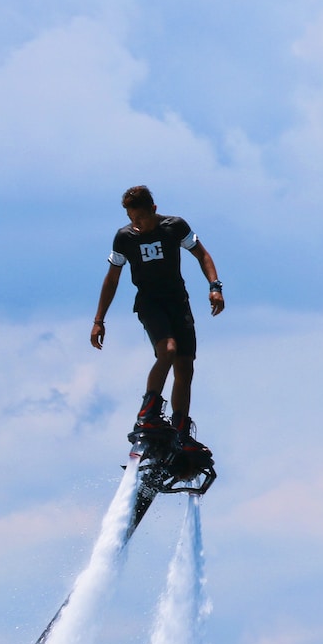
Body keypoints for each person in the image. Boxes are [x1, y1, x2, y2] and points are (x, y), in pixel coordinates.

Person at [90, 184, 224, 449]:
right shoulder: (124, 238)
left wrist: (214, 286)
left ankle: (180, 431)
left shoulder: (174, 227)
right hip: (150, 303)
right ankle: (148, 412)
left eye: (140, 217)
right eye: (131, 218)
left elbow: (202, 254)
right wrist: (98, 320)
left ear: (153, 209)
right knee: (168, 350)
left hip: (178, 303)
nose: (136, 223)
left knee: (185, 368)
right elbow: (112, 280)